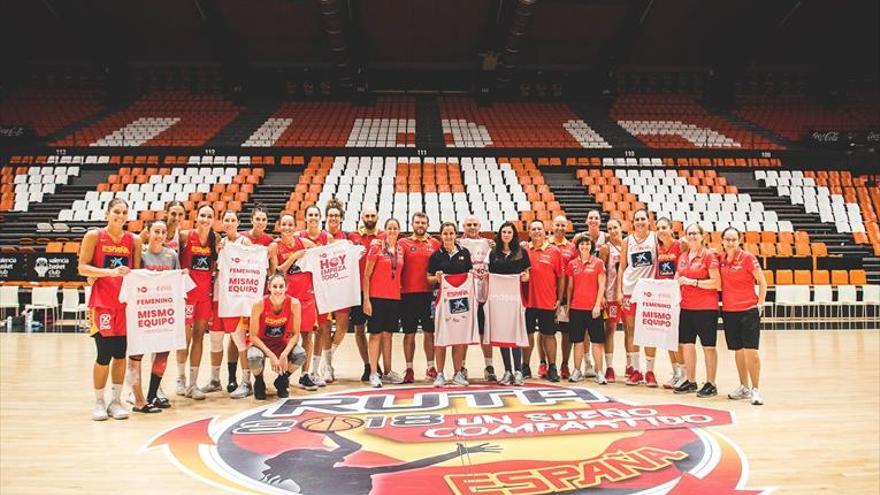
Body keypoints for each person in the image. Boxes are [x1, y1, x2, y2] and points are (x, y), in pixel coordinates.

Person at [78, 198, 142, 421]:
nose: (121, 216)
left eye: (125, 212)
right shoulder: (94, 236)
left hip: (125, 306)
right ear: (107, 213)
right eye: (117, 211)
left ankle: (116, 400)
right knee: (103, 354)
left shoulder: (133, 240)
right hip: (102, 304)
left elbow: (136, 272)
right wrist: (110, 272)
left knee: (120, 354)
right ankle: (99, 401)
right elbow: (82, 267)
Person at [128, 219, 178, 413]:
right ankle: (136, 395)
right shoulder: (140, 255)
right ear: (148, 232)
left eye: (163, 232)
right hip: (143, 312)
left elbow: (175, 281)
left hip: (163, 312)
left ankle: (152, 395)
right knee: (137, 355)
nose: (159, 235)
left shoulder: (171, 255)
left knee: (162, 354)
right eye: (156, 231)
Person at [268, 212, 319, 390]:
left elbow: (322, 252)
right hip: (287, 301)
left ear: (295, 227)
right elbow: (276, 273)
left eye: (291, 225)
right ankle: (284, 375)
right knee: (287, 338)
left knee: (307, 336)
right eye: (285, 225)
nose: (288, 228)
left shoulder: (304, 243)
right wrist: (293, 257)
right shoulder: (275, 247)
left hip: (306, 297)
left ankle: (305, 375)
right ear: (279, 226)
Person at [175, 204, 220, 400]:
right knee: (184, 338)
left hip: (205, 296)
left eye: (209, 216)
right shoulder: (185, 236)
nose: (205, 219)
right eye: (202, 215)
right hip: (186, 295)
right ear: (196, 217)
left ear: (213, 219)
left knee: (199, 337)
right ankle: (180, 378)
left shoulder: (215, 239)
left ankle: (193, 383)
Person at [207, 209, 253, 395]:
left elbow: (252, 267)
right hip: (218, 296)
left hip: (236, 299)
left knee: (240, 342)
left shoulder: (245, 242)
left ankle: (246, 381)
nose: (229, 222)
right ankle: (215, 379)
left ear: (238, 223)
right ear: (222, 222)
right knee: (215, 340)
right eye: (226, 219)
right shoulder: (219, 243)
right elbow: (212, 268)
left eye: (232, 220)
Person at [719, 227, 767, 406]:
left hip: (748, 310)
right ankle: (743, 386)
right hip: (730, 311)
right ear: (722, 241)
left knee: (750, 351)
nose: (730, 242)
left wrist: (760, 304)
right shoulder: (721, 259)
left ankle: (755, 389)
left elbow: (762, 282)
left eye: (734, 239)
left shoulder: (748, 258)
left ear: (739, 240)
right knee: (738, 351)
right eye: (727, 239)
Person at [674, 223, 721, 398]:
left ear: (702, 236)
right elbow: (678, 278)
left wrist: (693, 282)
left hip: (706, 308)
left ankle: (711, 383)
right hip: (686, 307)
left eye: (695, 233)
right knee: (687, 345)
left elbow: (717, 283)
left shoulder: (709, 256)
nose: (692, 236)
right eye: (689, 233)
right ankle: (691, 381)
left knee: (708, 346)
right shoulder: (683, 256)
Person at [428, 222, 475, 387]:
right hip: (441, 299)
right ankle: (440, 374)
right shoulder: (435, 256)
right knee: (441, 336)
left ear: (456, 235)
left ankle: (457, 373)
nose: (448, 236)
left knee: (458, 336)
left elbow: (469, 274)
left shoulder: (464, 253)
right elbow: (429, 279)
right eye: (445, 233)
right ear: (441, 235)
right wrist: (437, 278)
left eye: (451, 233)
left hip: (459, 300)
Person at [616, 209, 658, 387]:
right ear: (633, 222)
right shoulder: (627, 241)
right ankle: (636, 370)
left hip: (649, 291)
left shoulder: (655, 238)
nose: (640, 222)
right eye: (637, 219)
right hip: (629, 289)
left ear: (649, 221)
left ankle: (650, 371)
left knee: (648, 331)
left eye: (643, 219)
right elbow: (622, 267)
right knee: (631, 331)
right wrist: (619, 290)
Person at [363, 218, 405, 388]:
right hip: (376, 297)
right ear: (385, 230)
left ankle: (387, 372)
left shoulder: (401, 249)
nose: (393, 231)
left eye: (395, 228)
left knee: (388, 335)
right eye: (390, 228)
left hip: (394, 298)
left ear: (399, 230)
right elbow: (366, 275)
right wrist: (366, 299)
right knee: (375, 335)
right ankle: (374, 373)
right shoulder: (376, 247)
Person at [486, 221, 530, 385]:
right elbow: (489, 273)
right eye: (504, 232)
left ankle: (518, 371)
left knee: (515, 333)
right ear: (500, 234)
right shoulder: (493, 253)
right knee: (502, 334)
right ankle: (507, 371)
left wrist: (525, 277)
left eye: (509, 232)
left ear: (514, 235)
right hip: (498, 300)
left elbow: (527, 273)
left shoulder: (521, 252)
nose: (506, 235)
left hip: (515, 299)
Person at [398, 212, 441, 382]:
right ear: (412, 224)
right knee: (409, 334)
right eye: (417, 222)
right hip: (408, 295)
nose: (420, 225)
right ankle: (409, 369)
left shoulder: (435, 244)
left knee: (429, 333)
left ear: (428, 225)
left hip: (429, 295)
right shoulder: (403, 243)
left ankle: (431, 367)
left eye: (423, 222)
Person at [247, 274, 304, 400]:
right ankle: (259, 381)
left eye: (281, 286)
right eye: (275, 286)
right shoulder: (259, 304)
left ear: (286, 288)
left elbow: (296, 334)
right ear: (269, 288)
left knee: (300, 354)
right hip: (262, 343)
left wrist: (284, 354)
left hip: (281, 343)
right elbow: (253, 336)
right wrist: (272, 355)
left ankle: (282, 380)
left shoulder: (294, 303)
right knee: (254, 356)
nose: (278, 290)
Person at [522, 220, 564, 382]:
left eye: (539, 229)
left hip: (547, 301)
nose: (537, 231)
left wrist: (559, 298)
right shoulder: (523, 250)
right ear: (529, 232)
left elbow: (560, 278)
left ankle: (552, 367)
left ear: (545, 232)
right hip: (528, 302)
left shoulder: (554, 251)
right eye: (533, 229)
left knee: (549, 335)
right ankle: (525, 366)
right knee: (527, 335)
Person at [347, 207, 385, 382]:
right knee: (359, 328)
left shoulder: (383, 236)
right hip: (356, 289)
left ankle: (377, 362)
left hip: (377, 289)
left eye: (372, 215)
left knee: (378, 330)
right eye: (367, 216)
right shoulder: (353, 237)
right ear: (362, 217)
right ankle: (368, 365)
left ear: (377, 217)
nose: (370, 218)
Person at [298, 205, 334, 388]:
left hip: (322, 291)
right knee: (304, 332)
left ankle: (316, 370)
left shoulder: (327, 237)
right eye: (310, 214)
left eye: (316, 215)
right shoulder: (298, 237)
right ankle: (301, 371)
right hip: (304, 290)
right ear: (305, 218)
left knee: (321, 330)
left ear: (321, 218)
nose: (313, 217)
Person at [458, 215, 496, 382]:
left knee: (485, 332)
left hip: (485, 293)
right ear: (463, 226)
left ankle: (489, 366)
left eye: (475, 224)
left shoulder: (489, 244)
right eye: (469, 225)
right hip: (465, 295)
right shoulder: (459, 243)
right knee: (464, 332)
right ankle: (461, 366)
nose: (472, 227)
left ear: (480, 226)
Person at [565, 236, 607, 384]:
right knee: (578, 341)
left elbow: (602, 285)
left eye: (587, 244)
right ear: (578, 246)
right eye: (582, 244)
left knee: (597, 342)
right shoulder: (572, 264)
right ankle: (577, 370)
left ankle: (599, 372)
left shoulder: (598, 263)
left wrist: (597, 305)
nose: (584, 246)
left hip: (594, 309)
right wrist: (569, 305)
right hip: (576, 308)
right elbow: (570, 287)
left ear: (591, 246)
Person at [655, 217, 688, 389]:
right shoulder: (658, 247)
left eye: (664, 227)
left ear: (671, 229)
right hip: (663, 297)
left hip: (678, 296)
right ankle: (675, 373)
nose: (661, 230)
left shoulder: (680, 245)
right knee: (667, 338)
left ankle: (684, 374)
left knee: (678, 338)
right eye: (658, 228)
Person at [319, 198, 350, 383]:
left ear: (341, 218)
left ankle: (328, 357)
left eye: (337, 216)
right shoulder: (320, 237)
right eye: (330, 215)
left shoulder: (347, 237)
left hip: (342, 288)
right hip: (324, 289)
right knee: (324, 328)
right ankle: (327, 365)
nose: (333, 218)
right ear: (326, 217)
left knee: (343, 326)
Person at [550, 214, 583, 380]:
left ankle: (564, 364)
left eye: (563, 225)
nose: (560, 228)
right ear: (552, 226)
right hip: (548, 295)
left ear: (567, 227)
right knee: (546, 333)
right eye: (557, 225)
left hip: (565, 298)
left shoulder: (572, 248)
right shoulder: (545, 244)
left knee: (566, 333)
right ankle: (545, 364)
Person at [598, 218, 624, 383]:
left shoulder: (628, 245)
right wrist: (602, 296)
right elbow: (602, 273)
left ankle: (631, 365)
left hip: (626, 294)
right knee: (609, 330)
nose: (613, 230)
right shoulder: (605, 248)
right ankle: (609, 366)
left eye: (615, 227)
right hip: (611, 296)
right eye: (609, 228)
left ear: (621, 227)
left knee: (629, 329)